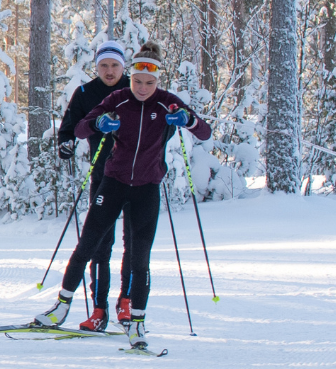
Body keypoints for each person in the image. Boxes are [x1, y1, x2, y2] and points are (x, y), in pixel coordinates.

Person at [34, 41, 212, 350]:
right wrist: (99, 123)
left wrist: (188, 120)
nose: (143, 88)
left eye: (149, 82)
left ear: (157, 80)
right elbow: (79, 129)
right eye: (138, 81)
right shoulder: (118, 98)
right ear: (130, 77)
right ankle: (61, 307)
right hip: (113, 183)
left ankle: (136, 323)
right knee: (88, 245)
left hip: (147, 189)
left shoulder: (168, 103)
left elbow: (205, 132)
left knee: (140, 258)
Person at [55, 40, 133, 333]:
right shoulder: (86, 92)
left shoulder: (135, 89)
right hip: (102, 175)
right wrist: (65, 144)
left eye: (114, 65)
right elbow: (69, 125)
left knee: (133, 244)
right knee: (100, 244)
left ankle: (126, 303)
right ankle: (99, 309)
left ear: (123, 66)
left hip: (136, 178)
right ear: (96, 66)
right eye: (104, 66)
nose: (110, 71)